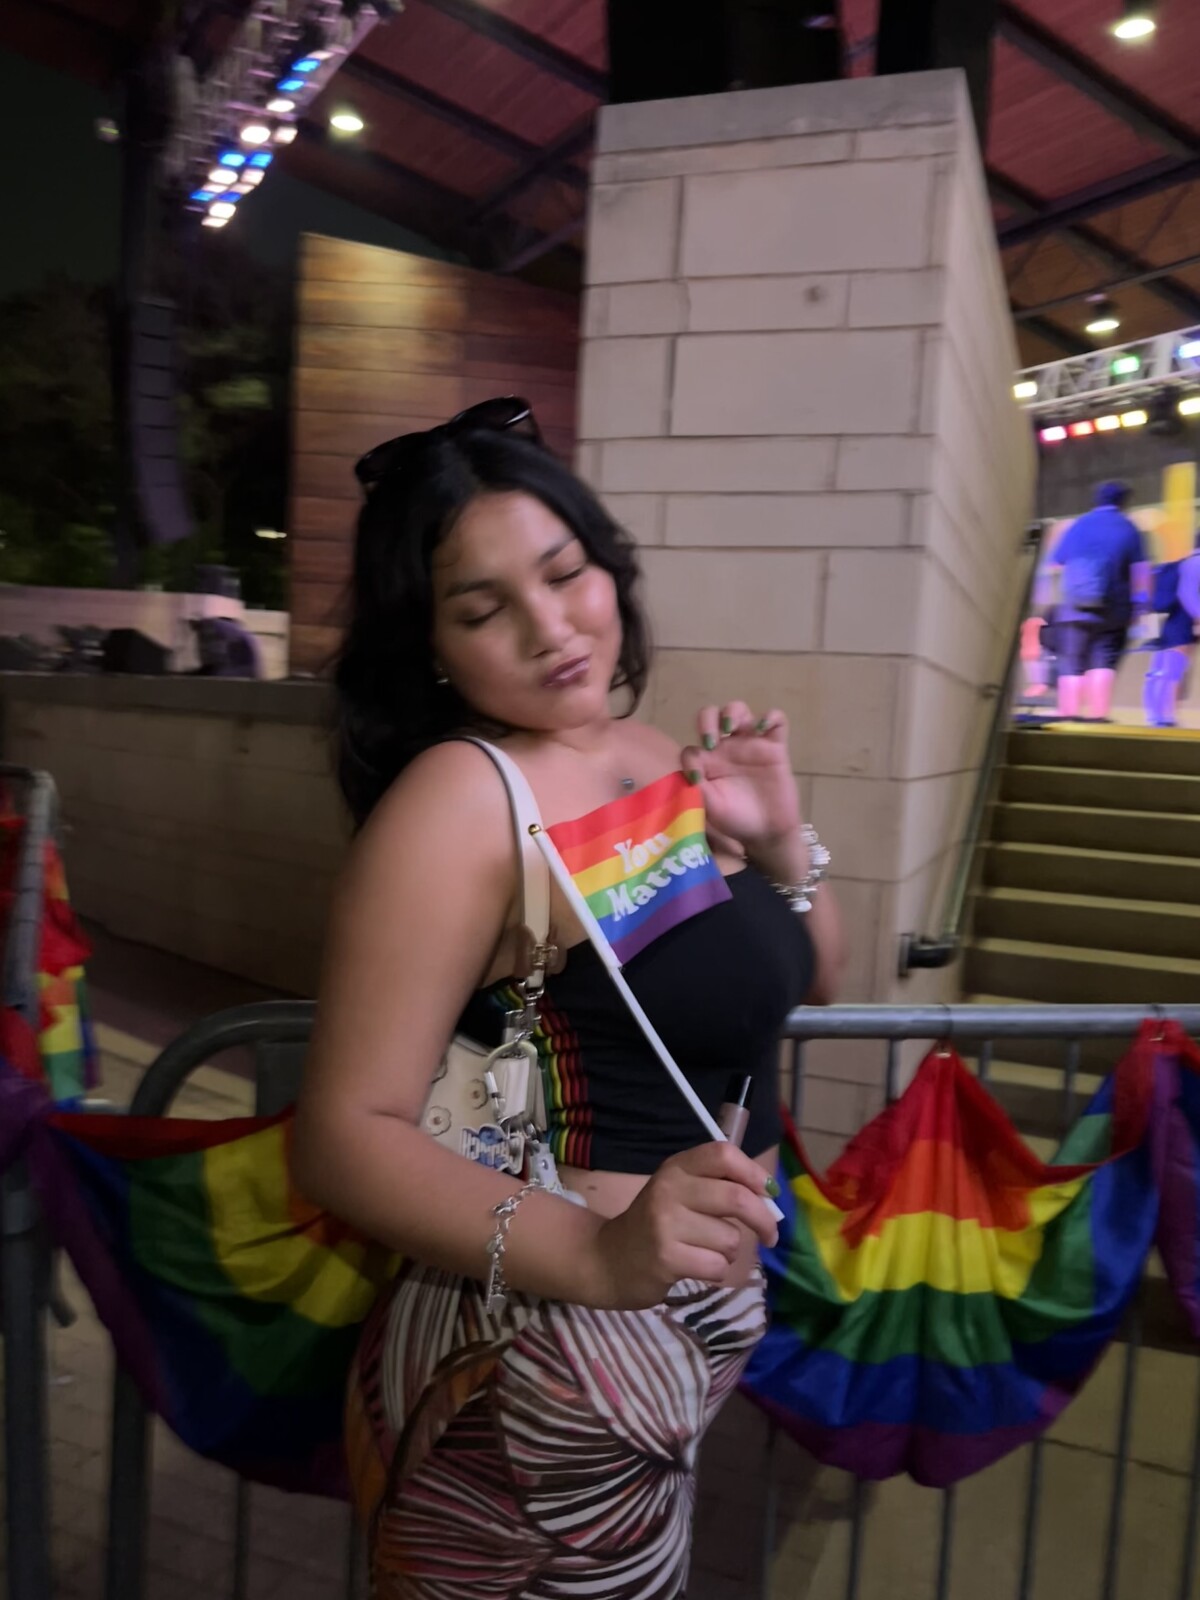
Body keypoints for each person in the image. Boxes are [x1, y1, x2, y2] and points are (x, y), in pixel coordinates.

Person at [292, 397, 846, 1599]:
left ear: (608, 568)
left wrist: (781, 844)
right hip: (538, 1360)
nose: (550, 628)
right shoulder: (460, 797)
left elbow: (809, 977)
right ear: (431, 645)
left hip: (668, 1348)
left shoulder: (647, 754)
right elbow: (342, 1134)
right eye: (482, 608)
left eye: (564, 573)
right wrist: (596, 1256)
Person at [1048, 481, 1149, 722]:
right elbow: (1141, 572)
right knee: (1104, 659)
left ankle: (1069, 713)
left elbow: (1056, 562)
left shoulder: (1078, 525)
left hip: (1074, 607)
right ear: (1123, 502)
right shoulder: (1128, 528)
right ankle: (1098, 715)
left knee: (1072, 660)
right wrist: (1141, 605)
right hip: (1114, 608)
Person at [1143, 533, 1200, 727]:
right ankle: (1165, 716)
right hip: (1183, 621)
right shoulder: (1196, 562)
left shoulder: (1187, 562)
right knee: (1172, 670)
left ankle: (1157, 714)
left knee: (1165, 669)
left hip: (1175, 620)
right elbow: (1187, 594)